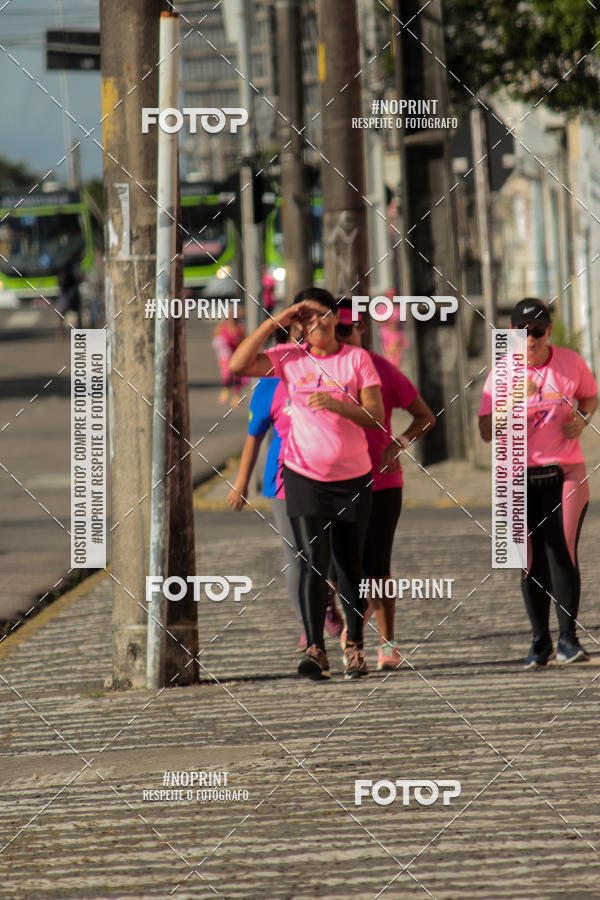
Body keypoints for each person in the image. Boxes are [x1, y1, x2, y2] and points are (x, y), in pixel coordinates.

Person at [230, 287, 385, 680]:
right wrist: (275, 320)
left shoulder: (357, 359)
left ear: (335, 318)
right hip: (303, 476)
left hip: (352, 477)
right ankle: (315, 648)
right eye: (306, 318)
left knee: (350, 566)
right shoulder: (290, 359)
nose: (314, 324)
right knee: (312, 562)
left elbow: (376, 416)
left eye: (321, 315)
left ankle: (355, 649)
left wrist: (337, 404)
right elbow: (238, 363)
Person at [478, 298, 597, 668]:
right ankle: (539, 640)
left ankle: (568, 640)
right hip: (517, 476)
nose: (531, 339)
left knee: (562, 552)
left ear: (548, 331)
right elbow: (485, 431)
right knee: (530, 561)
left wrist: (581, 417)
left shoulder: (570, 363)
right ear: (512, 332)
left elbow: (590, 396)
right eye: (523, 332)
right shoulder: (501, 373)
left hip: (565, 472)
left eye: (539, 332)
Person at [226, 325, 345, 649]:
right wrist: (241, 483)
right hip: (281, 482)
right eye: (293, 340)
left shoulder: (329, 374)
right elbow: (255, 438)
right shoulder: (268, 387)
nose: (301, 346)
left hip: (329, 477)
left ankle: (327, 601)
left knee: (331, 554)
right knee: (297, 557)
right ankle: (311, 625)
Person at [334, 300, 436, 669]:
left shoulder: (383, 370)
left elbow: (425, 417)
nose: (341, 336)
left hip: (381, 481)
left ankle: (387, 643)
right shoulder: (320, 368)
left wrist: (399, 443)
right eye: (334, 329)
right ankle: (351, 623)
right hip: (334, 482)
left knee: (376, 565)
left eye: (347, 329)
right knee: (337, 569)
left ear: (362, 328)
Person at [212, 306, 246, 405]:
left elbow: (244, 341)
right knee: (226, 374)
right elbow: (216, 337)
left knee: (237, 375)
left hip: (236, 354)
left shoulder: (240, 329)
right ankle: (226, 389)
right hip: (225, 355)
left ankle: (236, 395)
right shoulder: (222, 327)